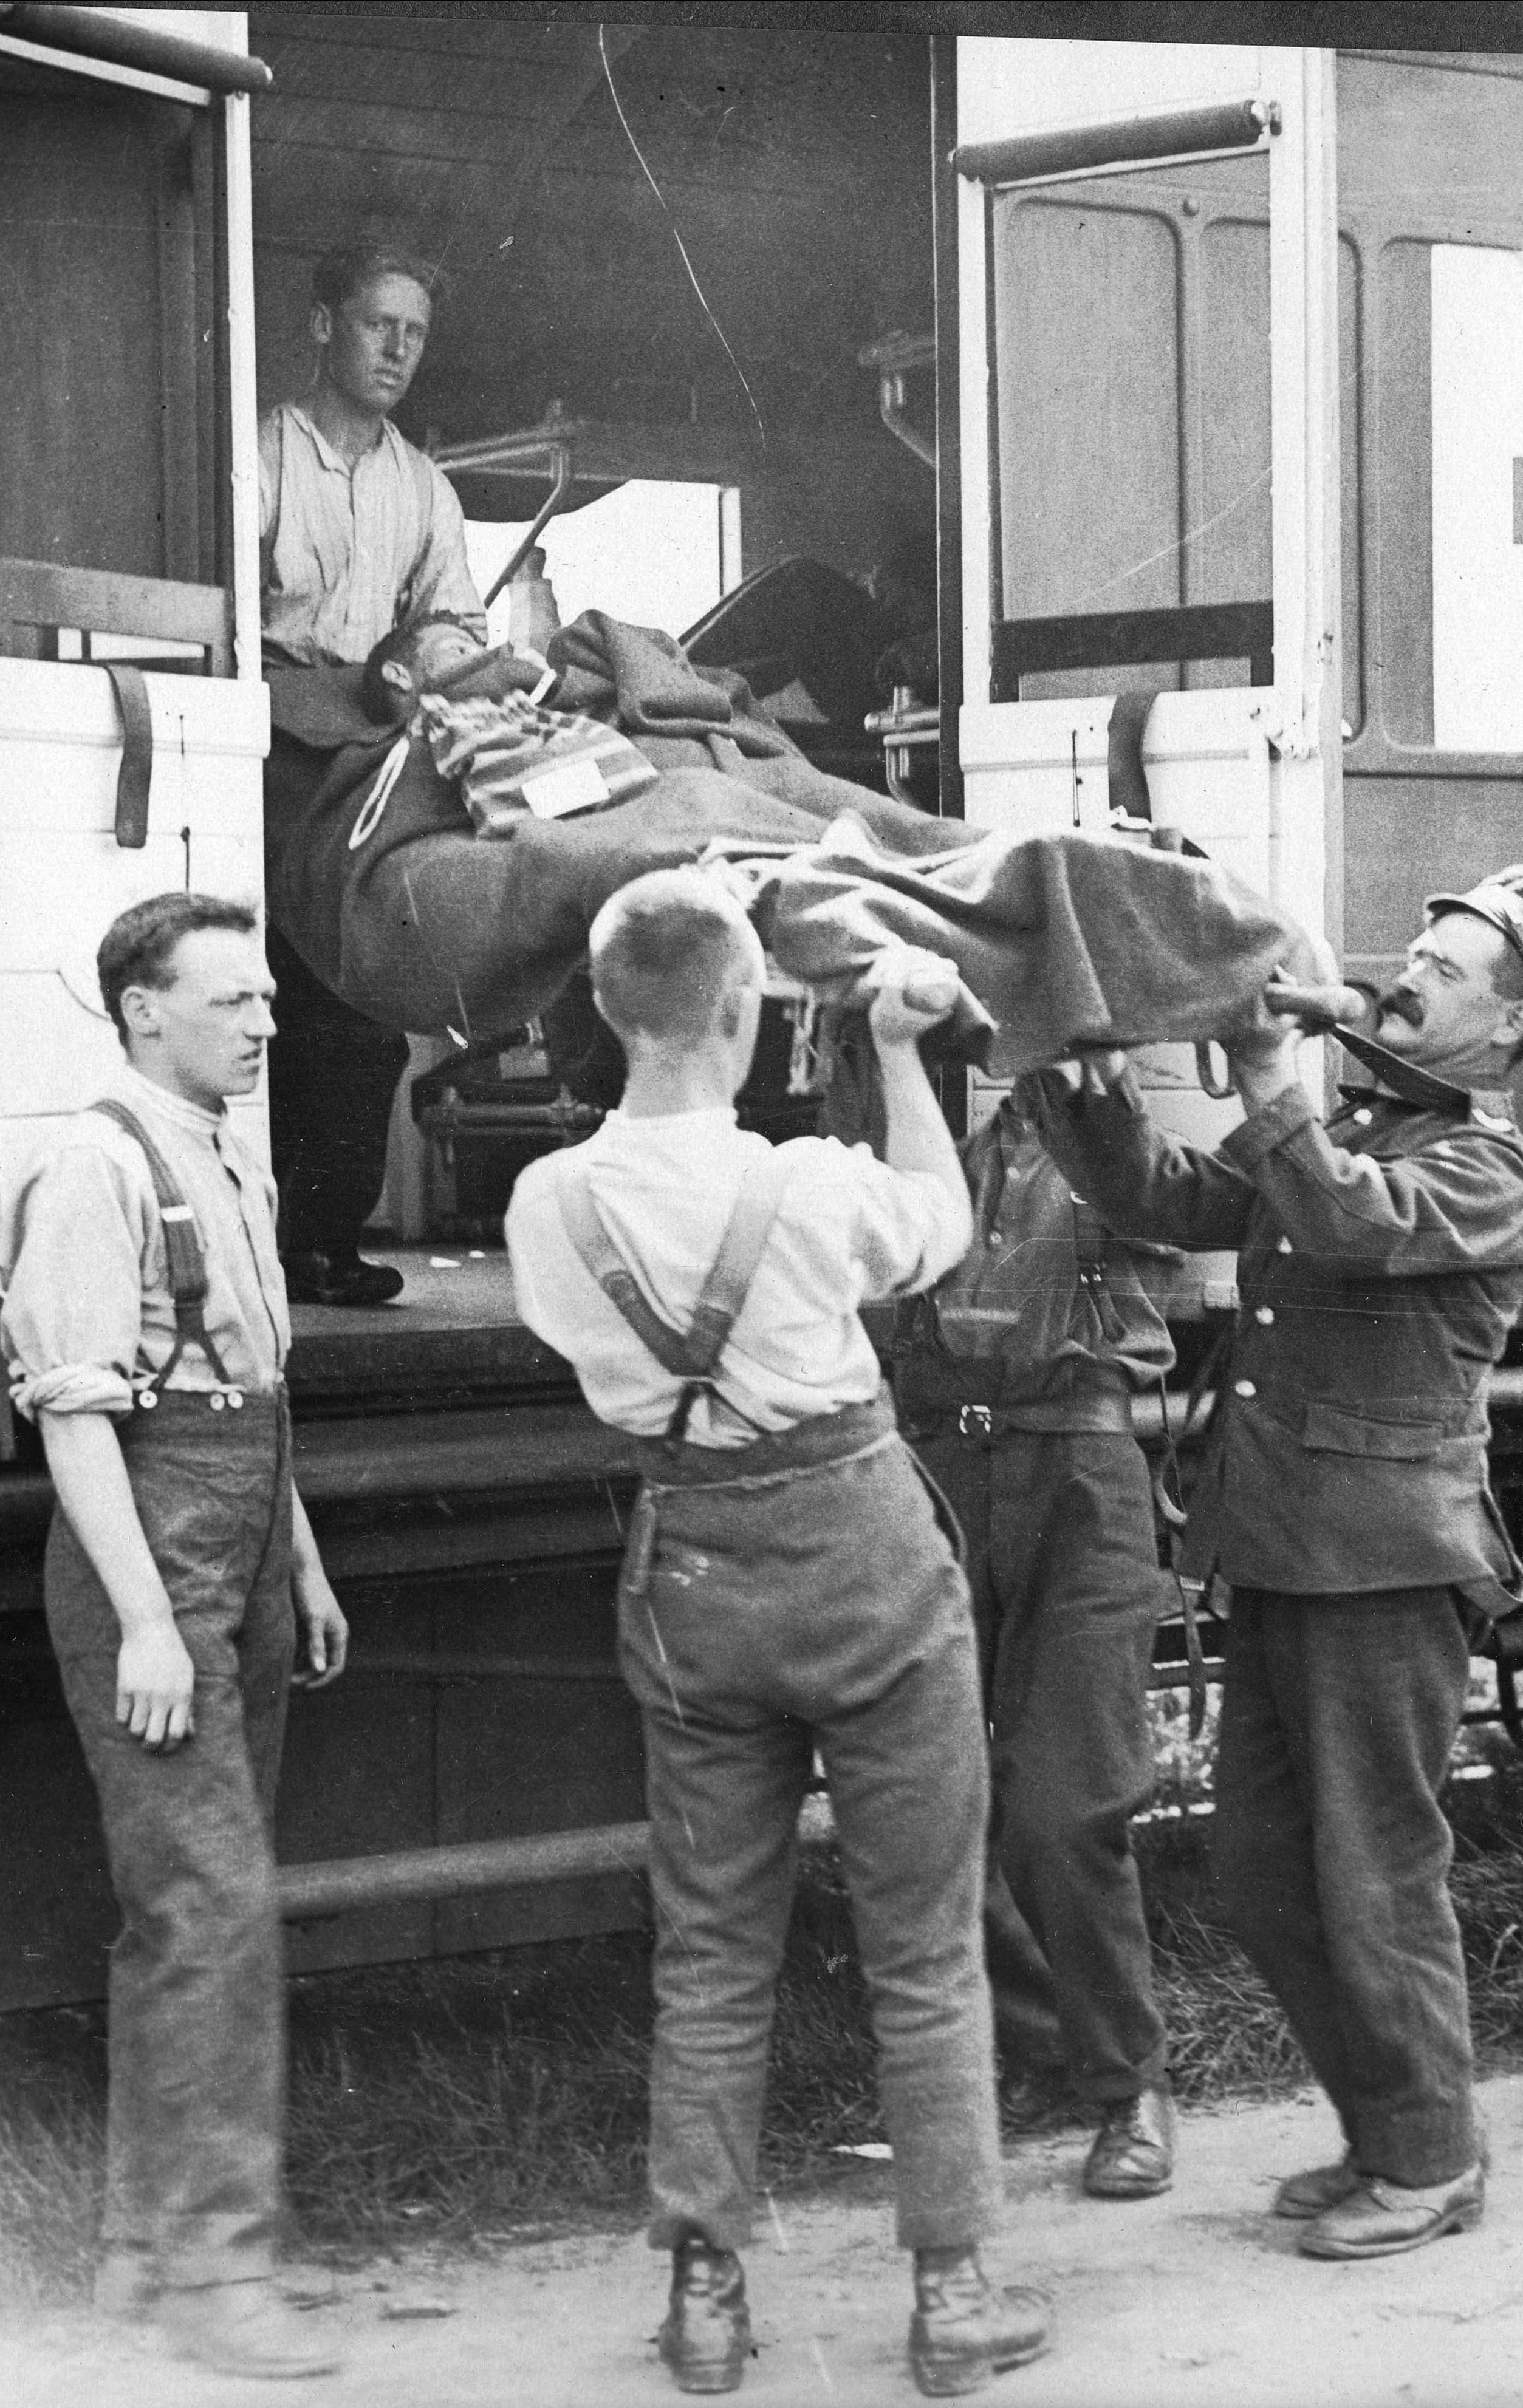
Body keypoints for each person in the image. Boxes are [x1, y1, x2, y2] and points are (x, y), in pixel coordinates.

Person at [504, 870, 1050, 2399]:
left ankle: (704, 2291)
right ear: (743, 1010)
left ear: (613, 1011)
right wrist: (890, 1056)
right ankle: (952, 2292)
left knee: (712, 1946)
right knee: (923, 1943)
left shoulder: (549, 1205)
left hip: (694, 1576)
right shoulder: (812, 1185)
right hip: (861, 1555)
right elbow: (938, 1228)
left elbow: (589, 1348)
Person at [1021, 864, 1523, 2262]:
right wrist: (1056, 1063)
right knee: (1267, 1867)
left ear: (1509, 1026)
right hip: (1286, 1549)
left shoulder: (1486, 1165)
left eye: (1448, 971)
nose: (1409, 974)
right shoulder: (1353, 1120)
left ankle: (1430, 2155)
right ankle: (1386, 2134)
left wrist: (1276, 1070)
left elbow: (1341, 1220)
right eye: (1418, 951)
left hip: (1386, 1567)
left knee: (1376, 1870)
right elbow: (1166, 1194)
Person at [0, 892, 354, 2381]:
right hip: (156, 1562)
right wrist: (150, 1619)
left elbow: (254, 1395)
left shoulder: (224, 1159)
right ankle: (217, 2274)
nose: (265, 1025)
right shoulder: (93, 1163)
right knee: (212, 1912)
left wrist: (305, 1564)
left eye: (266, 1001)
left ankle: (144, 2258)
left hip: (243, 1542)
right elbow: (78, 1417)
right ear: (145, 1011)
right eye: (232, 1002)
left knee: (188, 1915)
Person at [894, 1094, 1181, 2202]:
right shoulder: (914, 1103)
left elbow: (1154, 1190)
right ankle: (1034, 2048)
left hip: (1081, 1471)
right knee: (930, 1791)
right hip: (938, 1460)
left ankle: (1127, 2085)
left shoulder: (1117, 1113)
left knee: (1066, 1804)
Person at [258, 238, 491, 1307]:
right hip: (263, 742)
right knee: (266, 988)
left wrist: (428, 657)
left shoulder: (424, 487)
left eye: (416, 334)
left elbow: (452, 619)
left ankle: (321, 1240)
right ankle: (254, 1239)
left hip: (369, 748)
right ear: (322, 326)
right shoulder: (255, 453)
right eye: (376, 325)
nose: (398, 350)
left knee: (358, 999)